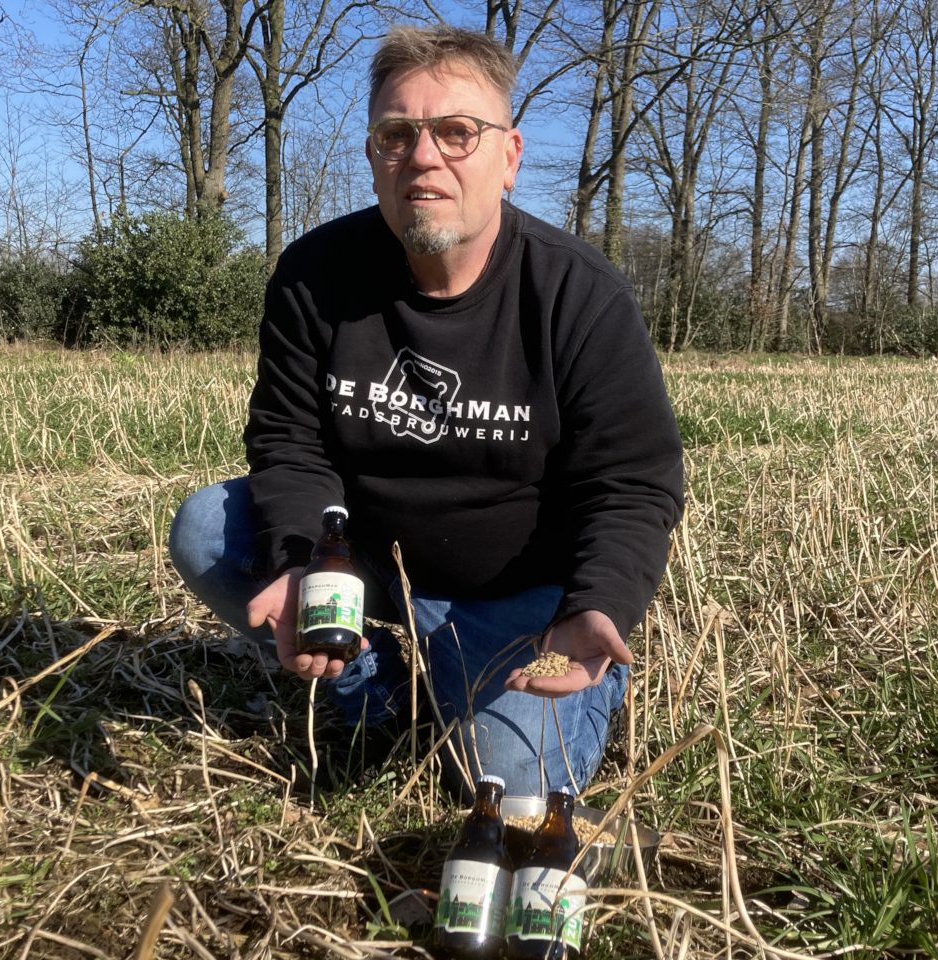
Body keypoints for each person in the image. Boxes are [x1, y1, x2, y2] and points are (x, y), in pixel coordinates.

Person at [168, 25, 683, 797]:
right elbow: (288, 440)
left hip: (520, 594)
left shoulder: (579, 294)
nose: (424, 155)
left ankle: (517, 678)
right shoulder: (315, 275)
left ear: (508, 158)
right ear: (375, 156)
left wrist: (598, 600)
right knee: (208, 529)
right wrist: (300, 557)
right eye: (396, 133)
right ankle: (371, 691)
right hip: (369, 562)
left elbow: (634, 479)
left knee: (502, 784)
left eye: (456, 132)